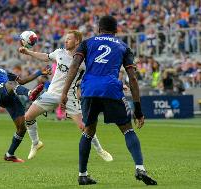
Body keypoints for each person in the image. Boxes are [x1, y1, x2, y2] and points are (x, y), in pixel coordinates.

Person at [60, 16, 157, 186]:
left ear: (99, 29)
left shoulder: (87, 43)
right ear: (116, 30)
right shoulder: (124, 47)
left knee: (88, 131)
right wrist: (138, 110)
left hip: (89, 90)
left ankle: (83, 174)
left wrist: (64, 92)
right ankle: (140, 168)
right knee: (127, 129)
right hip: (111, 89)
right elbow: (132, 79)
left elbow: (74, 66)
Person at [19, 30, 113, 161]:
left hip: (69, 96)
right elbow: (45, 56)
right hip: (51, 93)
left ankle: (100, 150)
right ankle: (35, 143)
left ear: (77, 41)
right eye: (66, 38)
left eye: (69, 39)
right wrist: (28, 52)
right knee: (28, 116)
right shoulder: (59, 53)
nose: (65, 41)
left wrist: (116, 83)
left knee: (83, 126)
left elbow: (99, 73)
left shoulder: (83, 61)